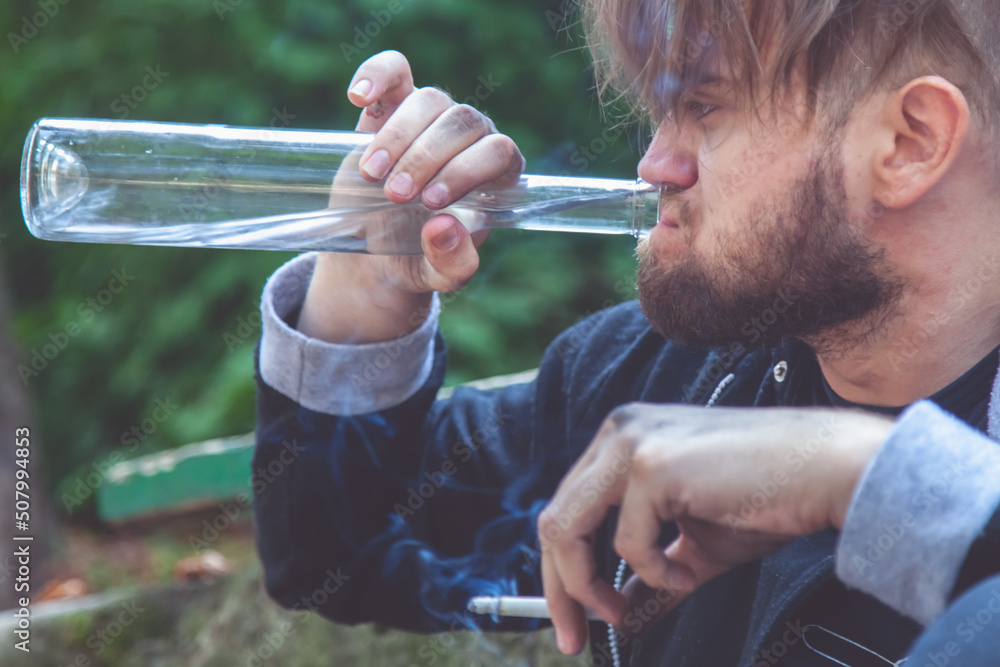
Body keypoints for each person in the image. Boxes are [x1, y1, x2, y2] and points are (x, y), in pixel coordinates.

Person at [252, 1, 1000, 664]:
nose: (655, 165)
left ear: (910, 143)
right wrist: (367, 286)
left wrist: (864, 476)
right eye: (661, 110)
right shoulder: (656, 376)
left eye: (705, 107)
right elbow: (338, 552)